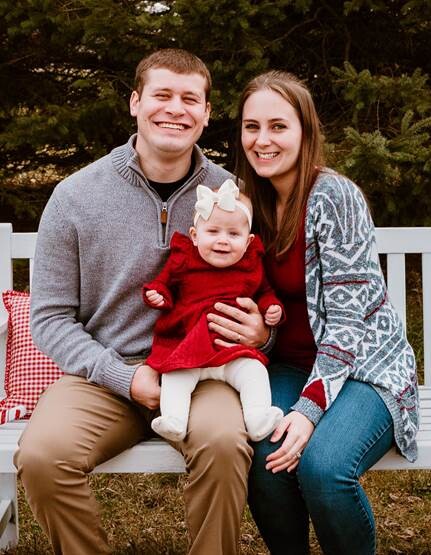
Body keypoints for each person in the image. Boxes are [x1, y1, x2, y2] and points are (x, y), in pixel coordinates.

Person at [13, 49, 271, 555]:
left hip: (208, 367)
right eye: (162, 95)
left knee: (223, 444)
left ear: (206, 113)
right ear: (135, 102)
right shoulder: (75, 196)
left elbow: (267, 286)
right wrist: (122, 376)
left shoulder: (232, 196)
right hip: (106, 374)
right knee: (43, 457)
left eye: (189, 99)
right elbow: (49, 316)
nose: (175, 109)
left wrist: (263, 331)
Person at [235, 70, 419, 555]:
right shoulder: (246, 205)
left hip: (365, 368)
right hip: (290, 364)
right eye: (252, 127)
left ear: (305, 131)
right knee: (263, 451)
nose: (263, 140)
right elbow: (261, 309)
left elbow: (346, 320)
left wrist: (309, 411)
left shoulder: (334, 197)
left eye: (278, 126)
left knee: (323, 465)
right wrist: (263, 338)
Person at [143, 179, 284, 442]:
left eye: (233, 234)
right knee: (174, 376)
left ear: (248, 241)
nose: (223, 241)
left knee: (255, 373)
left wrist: (272, 308)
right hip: (189, 347)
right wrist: (158, 294)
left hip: (233, 351)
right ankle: (174, 419)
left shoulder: (251, 264)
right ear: (195, 236)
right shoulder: (184, 259)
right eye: (213, 232)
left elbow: (265, 292)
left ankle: (258, 418)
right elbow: (164, 283)